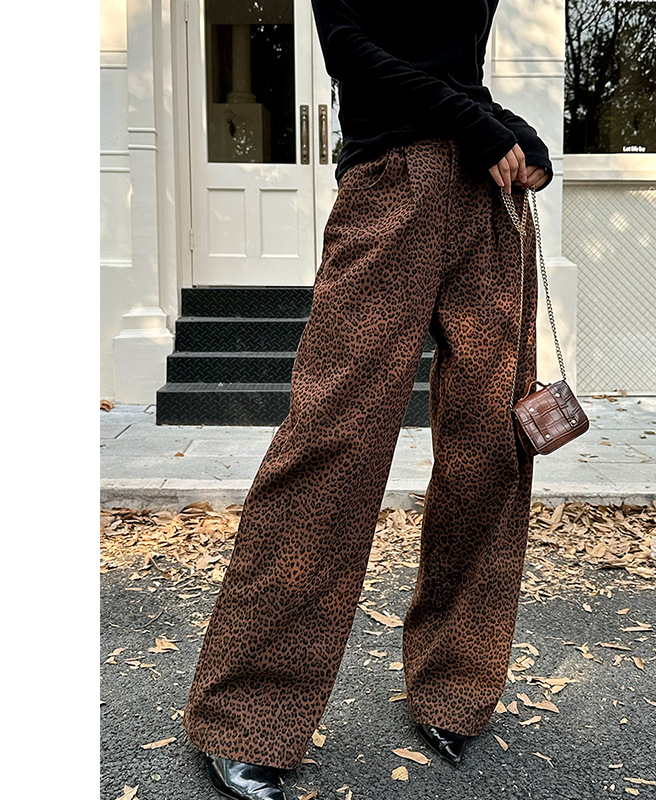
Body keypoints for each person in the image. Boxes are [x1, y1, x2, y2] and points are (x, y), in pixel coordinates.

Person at [182, 2, 553, 798]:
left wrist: (519, 136)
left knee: (490, 449)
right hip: (392, 189)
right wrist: (479, 126)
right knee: (331, 444)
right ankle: (246, 716)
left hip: (489, 204)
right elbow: (350, 49)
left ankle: (455, 686)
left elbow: (456, 74)